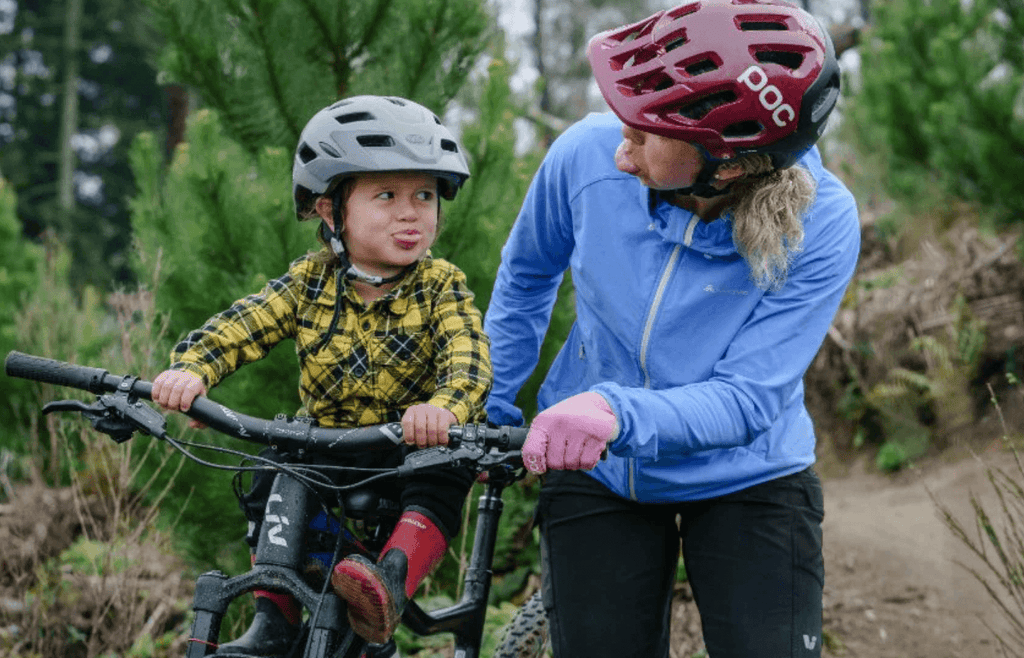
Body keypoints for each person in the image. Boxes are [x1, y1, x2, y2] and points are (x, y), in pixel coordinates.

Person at [483, 1, 860, 657]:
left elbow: (746, 397)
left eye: (644, 137)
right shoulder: (585, 154)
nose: (619, 151)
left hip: (750, 474)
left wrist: (612, 409)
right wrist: (488, 402)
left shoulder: (822, 223)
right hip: (600, 468)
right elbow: (526, 277)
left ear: (730, 167)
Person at [151, 95, 492, 653]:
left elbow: (469, 357)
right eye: (387, 195)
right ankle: (274, 619)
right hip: (332, 445)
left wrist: (446, 408)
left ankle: (386, 588)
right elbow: (244, 324)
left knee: (441, 473)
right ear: (332, 210)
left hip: (411, 446)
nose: (411, 213)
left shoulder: (440, 284)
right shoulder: (310, 280)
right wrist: (192, 369)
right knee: (276, 463)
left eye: (424, 195)